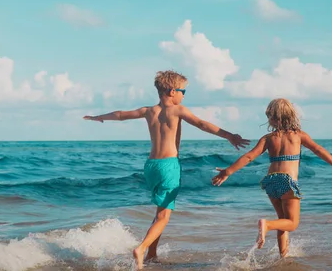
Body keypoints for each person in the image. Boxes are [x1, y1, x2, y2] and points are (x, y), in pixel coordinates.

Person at [83, 70, 250, 269]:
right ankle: (142, 248)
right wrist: (229, 136)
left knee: (159, 212)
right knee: (164, 216)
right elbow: (202, 124)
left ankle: (152, 255)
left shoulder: (148, 111)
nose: (183, 95)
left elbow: (121, 115)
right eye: (183, 92)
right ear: (172, 91)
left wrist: (98, 117)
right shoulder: (178, 110)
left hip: (151, 166)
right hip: (169, 166)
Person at [211, 98, 332, 257]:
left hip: (270, 181)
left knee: (283, 221)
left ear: (273, 119)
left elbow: (249, 157)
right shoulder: (299, 135)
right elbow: (319, 150)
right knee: (292, 223)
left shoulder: (267, 138)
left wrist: (228, 171)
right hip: (287, 182)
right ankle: (267, 225)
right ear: (291, 116)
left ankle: (283, 257)